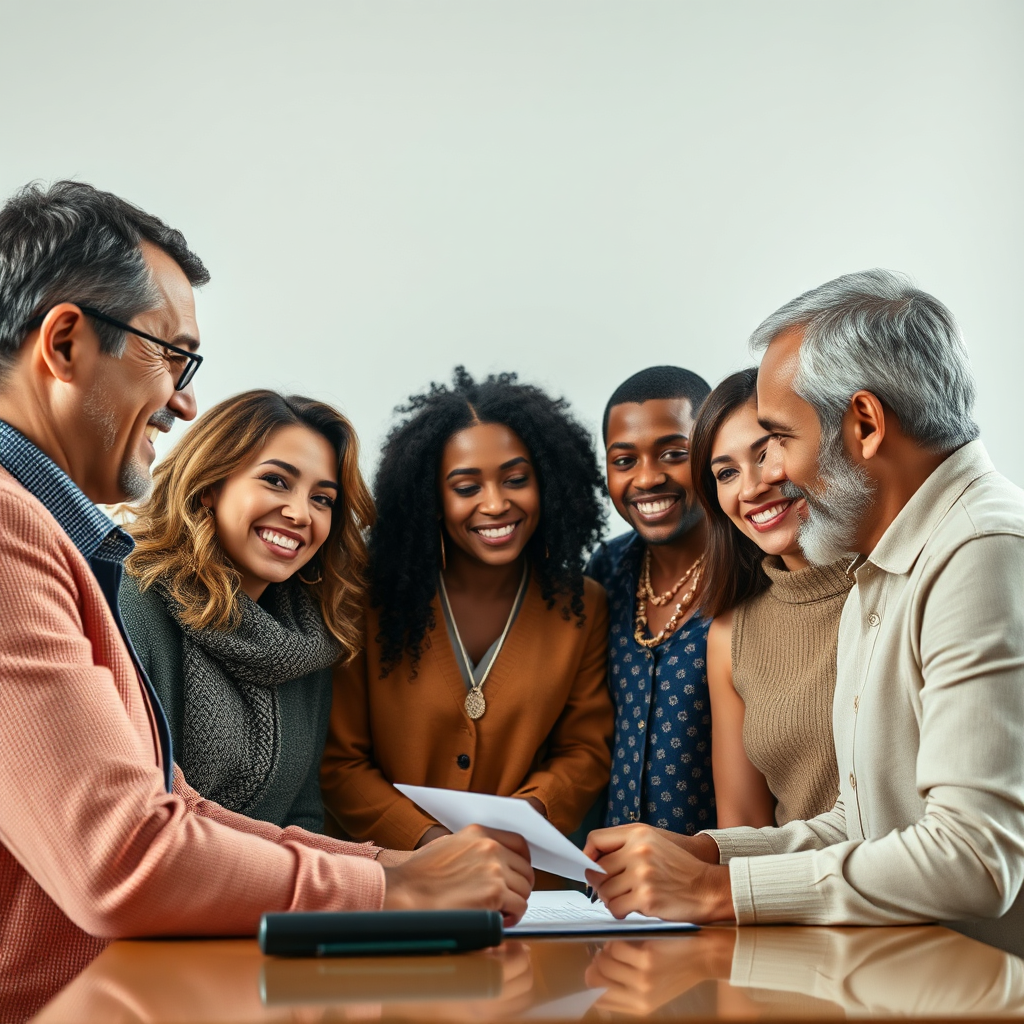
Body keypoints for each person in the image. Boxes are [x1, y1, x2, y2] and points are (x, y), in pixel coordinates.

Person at [0, 182, 532, 1021]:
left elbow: (170, 808)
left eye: (324, 496)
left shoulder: (57, 537)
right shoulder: (9, 530)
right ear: (65, 343)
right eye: (170, 355)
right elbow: (122, 856)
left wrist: (396, 871)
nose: (183, 399)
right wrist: (393, 886)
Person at [584, 270, 1024, 956]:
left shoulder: (985, 551)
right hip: (894, 973)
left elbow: (973, 859)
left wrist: (717, 894)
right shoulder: (881, 560)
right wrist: (707, 852)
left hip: (977, 984)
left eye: (781, 438)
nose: (775, 473)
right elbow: (863, 821)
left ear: (866, 425)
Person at [321, 367, 614, 851]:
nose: (496, 504)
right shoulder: (364, 600)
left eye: (516, 479)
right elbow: (340, 763)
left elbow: (584, 751)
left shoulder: (581, 606)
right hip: (395, 884)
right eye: (466, 487)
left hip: (527, 892)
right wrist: (433, 845)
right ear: (431, 498)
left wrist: (525, 820)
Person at [120, 390, 372, 830]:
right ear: (209, 487)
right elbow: (140, 814)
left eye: (323, 499)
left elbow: (303, 815)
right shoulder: (128, 600)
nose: (300, 513)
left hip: (274, 895)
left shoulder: (311, 643)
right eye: (276, 481)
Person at [689, 367, 851, 827]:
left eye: (767, 453)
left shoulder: (900, 579)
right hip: (792, 895)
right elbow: (742, 826)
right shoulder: (730, 634)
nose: (750, 488)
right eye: (726, 473)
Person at [585, 366, 715, 834]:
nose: (647, 478)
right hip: (608, 893)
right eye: (624, 461)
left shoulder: (755, 574)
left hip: (720, 887)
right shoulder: (605, 573)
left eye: (673, 453)